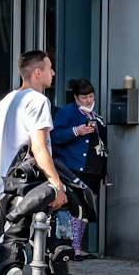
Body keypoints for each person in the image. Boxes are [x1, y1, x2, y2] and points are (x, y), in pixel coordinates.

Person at [0, 50, 110, 275]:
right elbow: (40, 148)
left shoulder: (7, 101)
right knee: (12, 253)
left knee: (53, 249)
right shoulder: (38, 101)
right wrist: (56, 184)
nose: (53, 73)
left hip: (10, 188)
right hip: (26, 189)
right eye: (49, 68)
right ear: (37, 72)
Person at [51, 78, 105, 258]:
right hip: (73, 167)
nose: (89, 100)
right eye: (84, 97)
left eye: (91, 96)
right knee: (76, 207)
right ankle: (70, 247)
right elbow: (55, 136)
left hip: (92, 169)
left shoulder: (95, 115)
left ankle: (77, 246)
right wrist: (76, 131)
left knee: (86, 209)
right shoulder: (67, 112)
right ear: (75, 97)